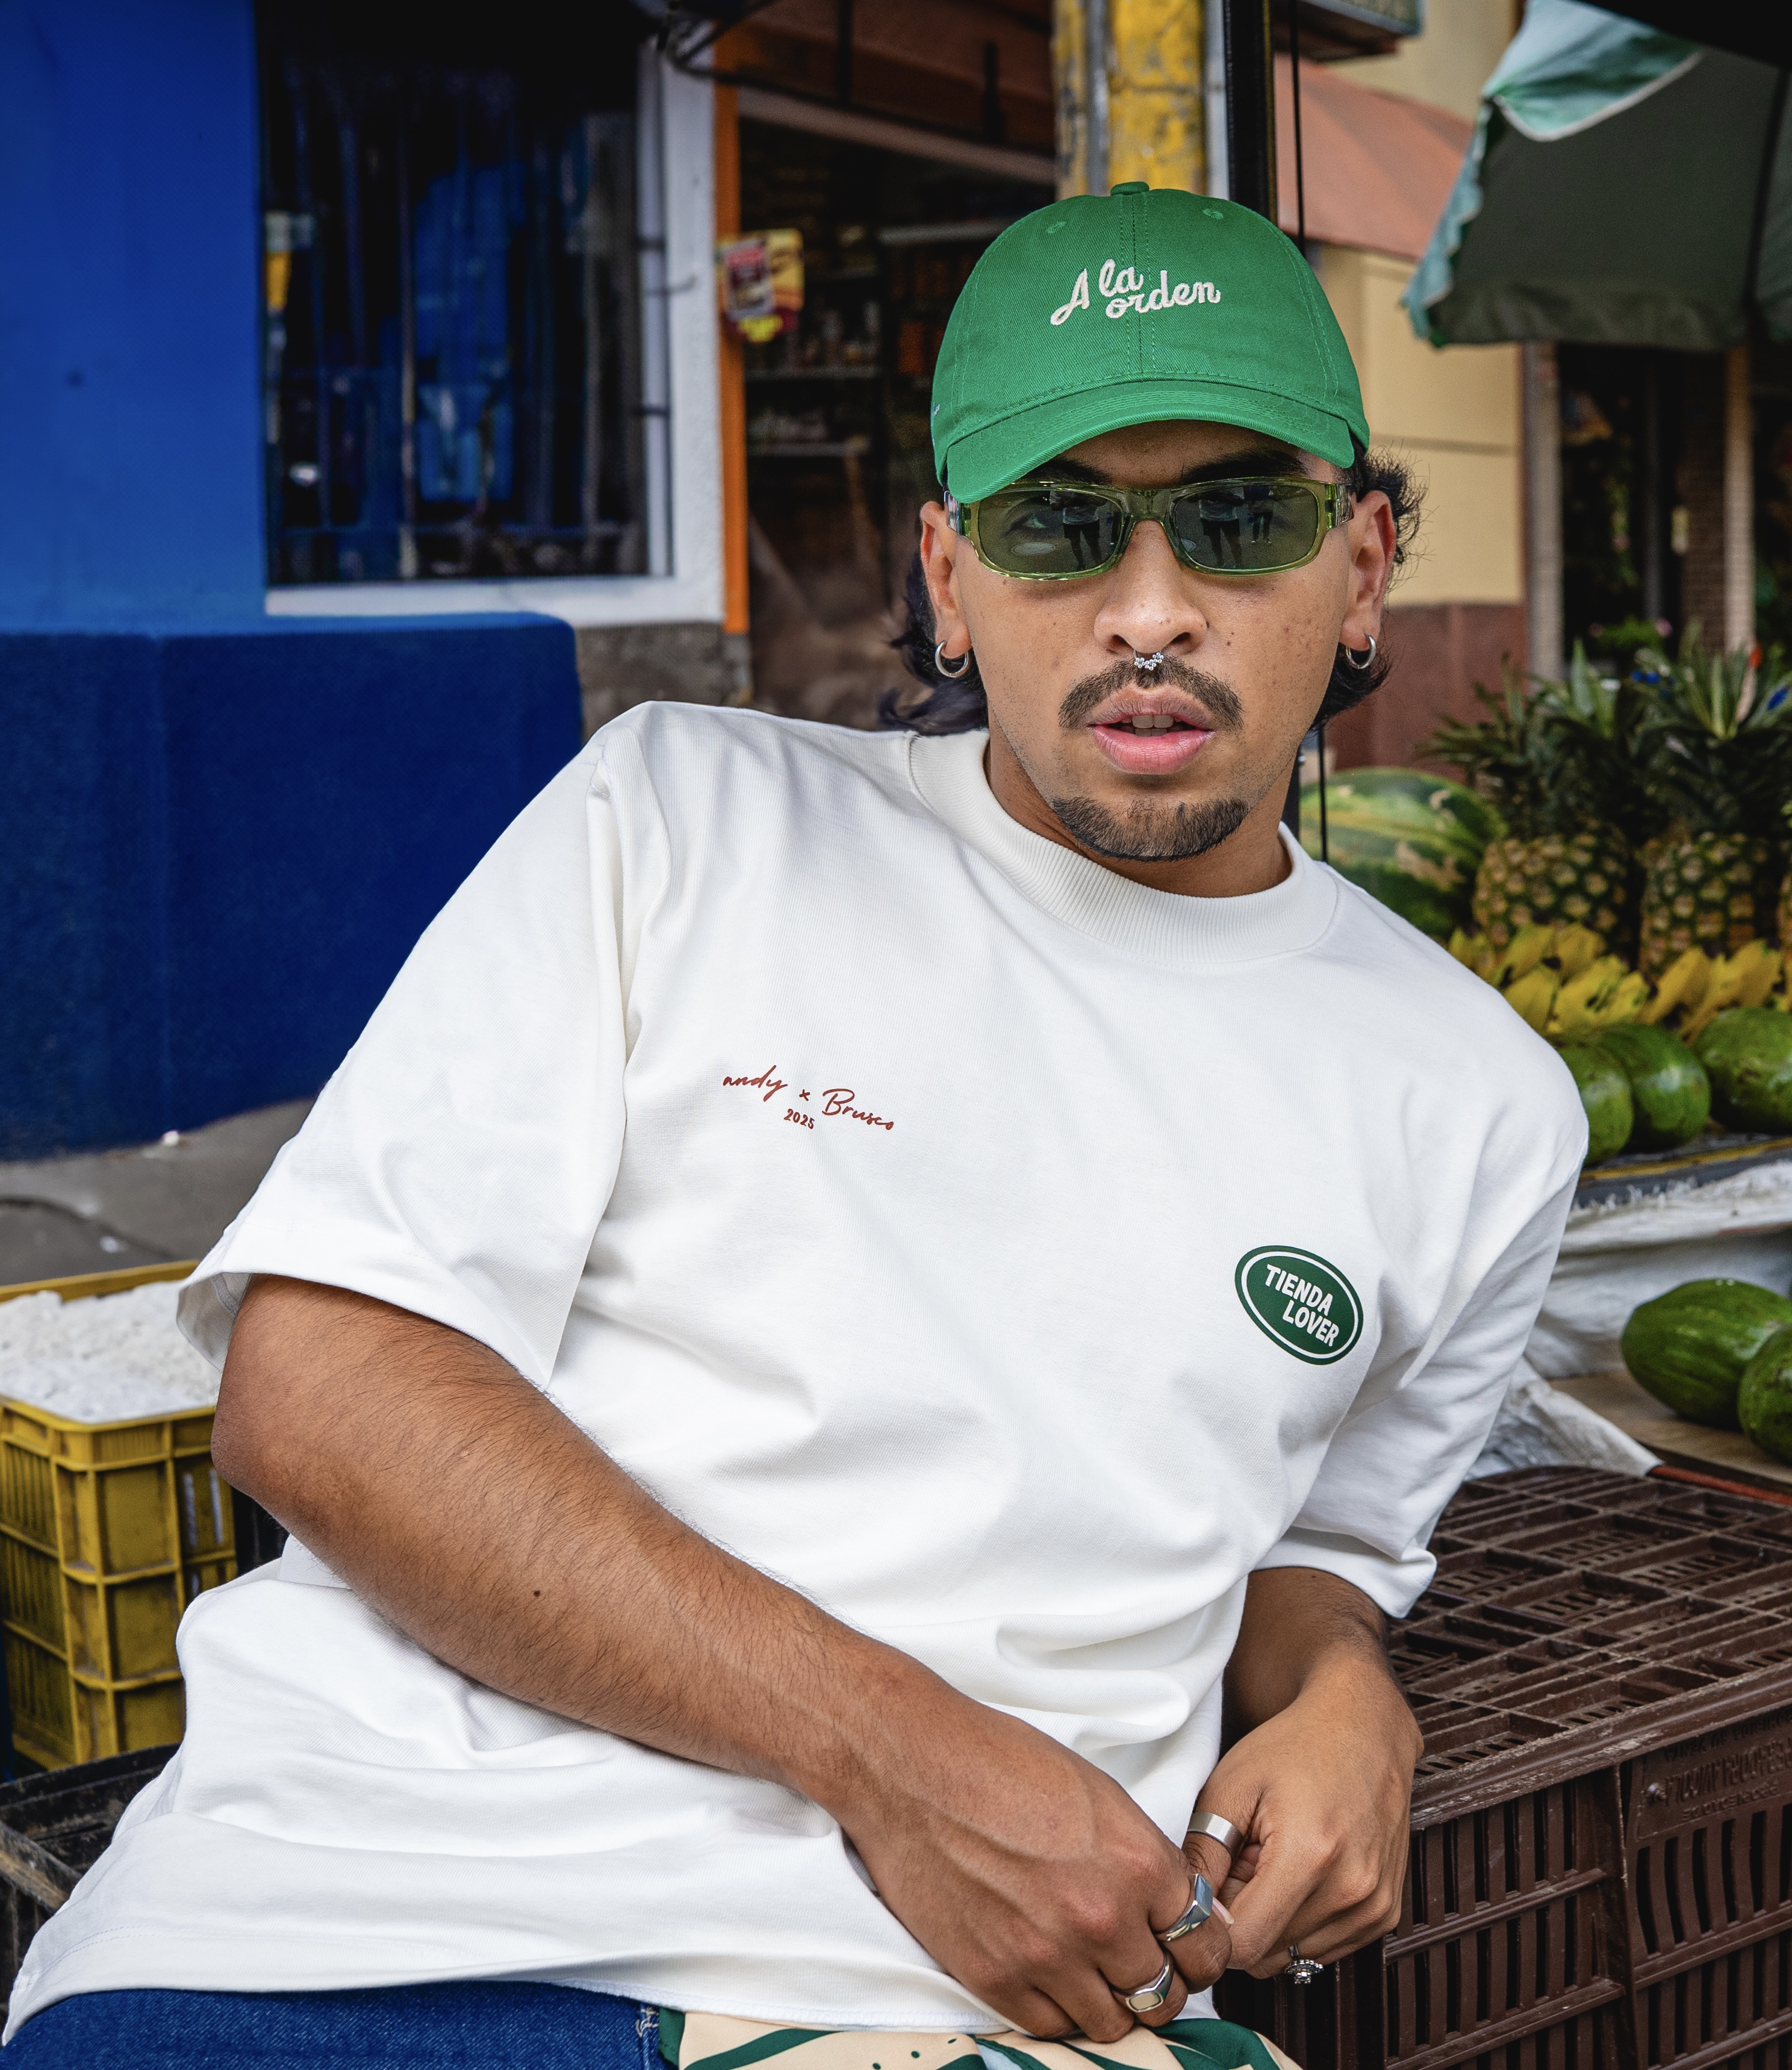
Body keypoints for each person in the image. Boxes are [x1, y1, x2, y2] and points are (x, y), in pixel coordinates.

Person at [2, 184, 1584, 2068]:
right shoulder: (683, 816)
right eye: (1057, 528)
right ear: (944, 572)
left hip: (961, 2008)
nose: (1150, 610)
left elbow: (1319, 1548)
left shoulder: (1478, 1102)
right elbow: (323, 1385)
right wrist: (898, 1763)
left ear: (1367, 560)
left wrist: (1345, 1697)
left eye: (1238, 521)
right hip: (359, 1921)